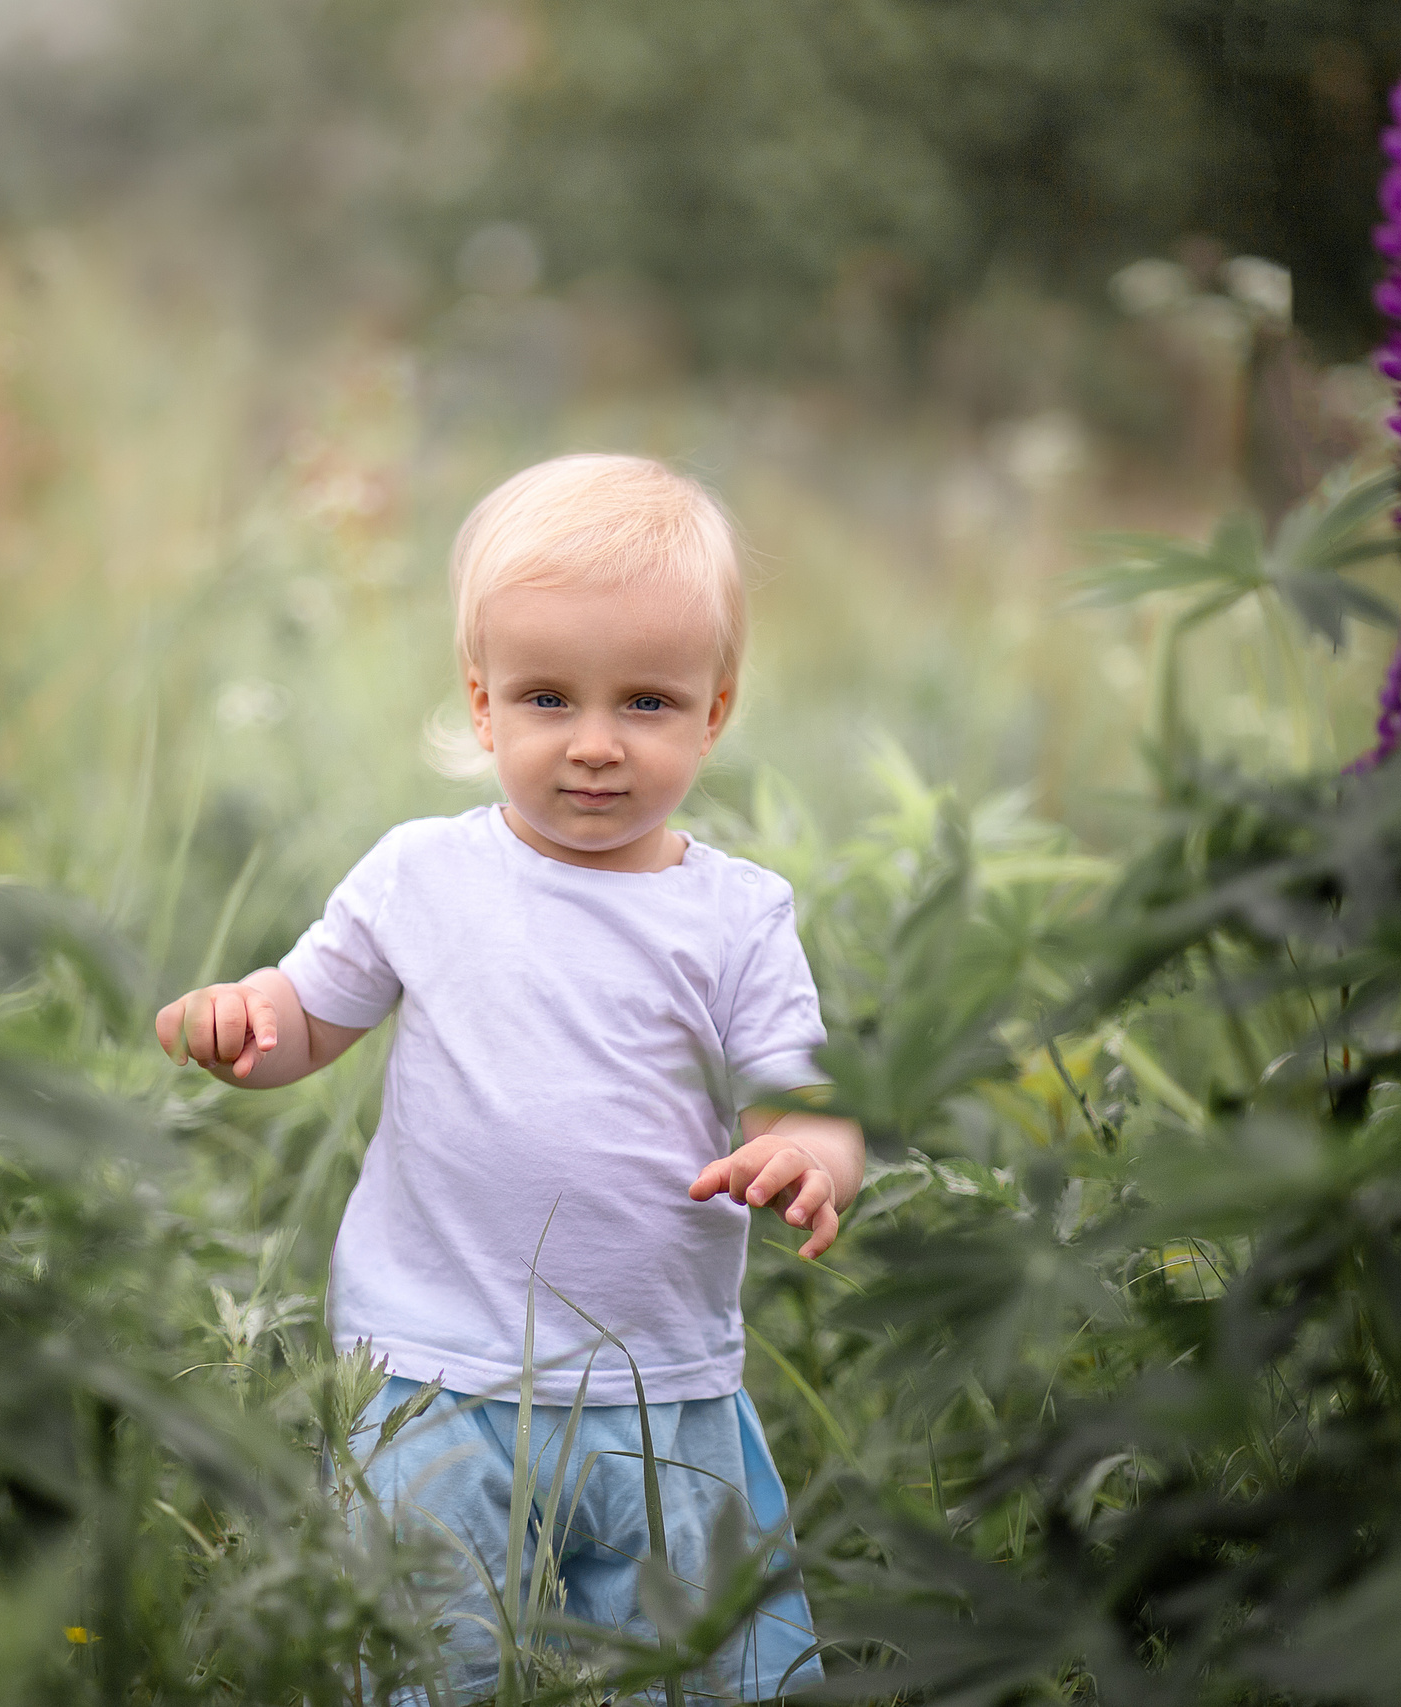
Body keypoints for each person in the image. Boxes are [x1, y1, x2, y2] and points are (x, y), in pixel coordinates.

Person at [155, 453, 861, 1702]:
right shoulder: (421, 875)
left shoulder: (737, 919)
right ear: (482, 708)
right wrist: (242, 1021)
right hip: (434, 1370)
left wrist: (808, 1155)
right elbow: (307, 1017)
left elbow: (799, 1099)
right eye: (548, 699)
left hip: (661, 1386)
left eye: (645, 703)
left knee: (703, 1663)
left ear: (716, 709)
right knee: (429, 1656)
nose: (594, 746)